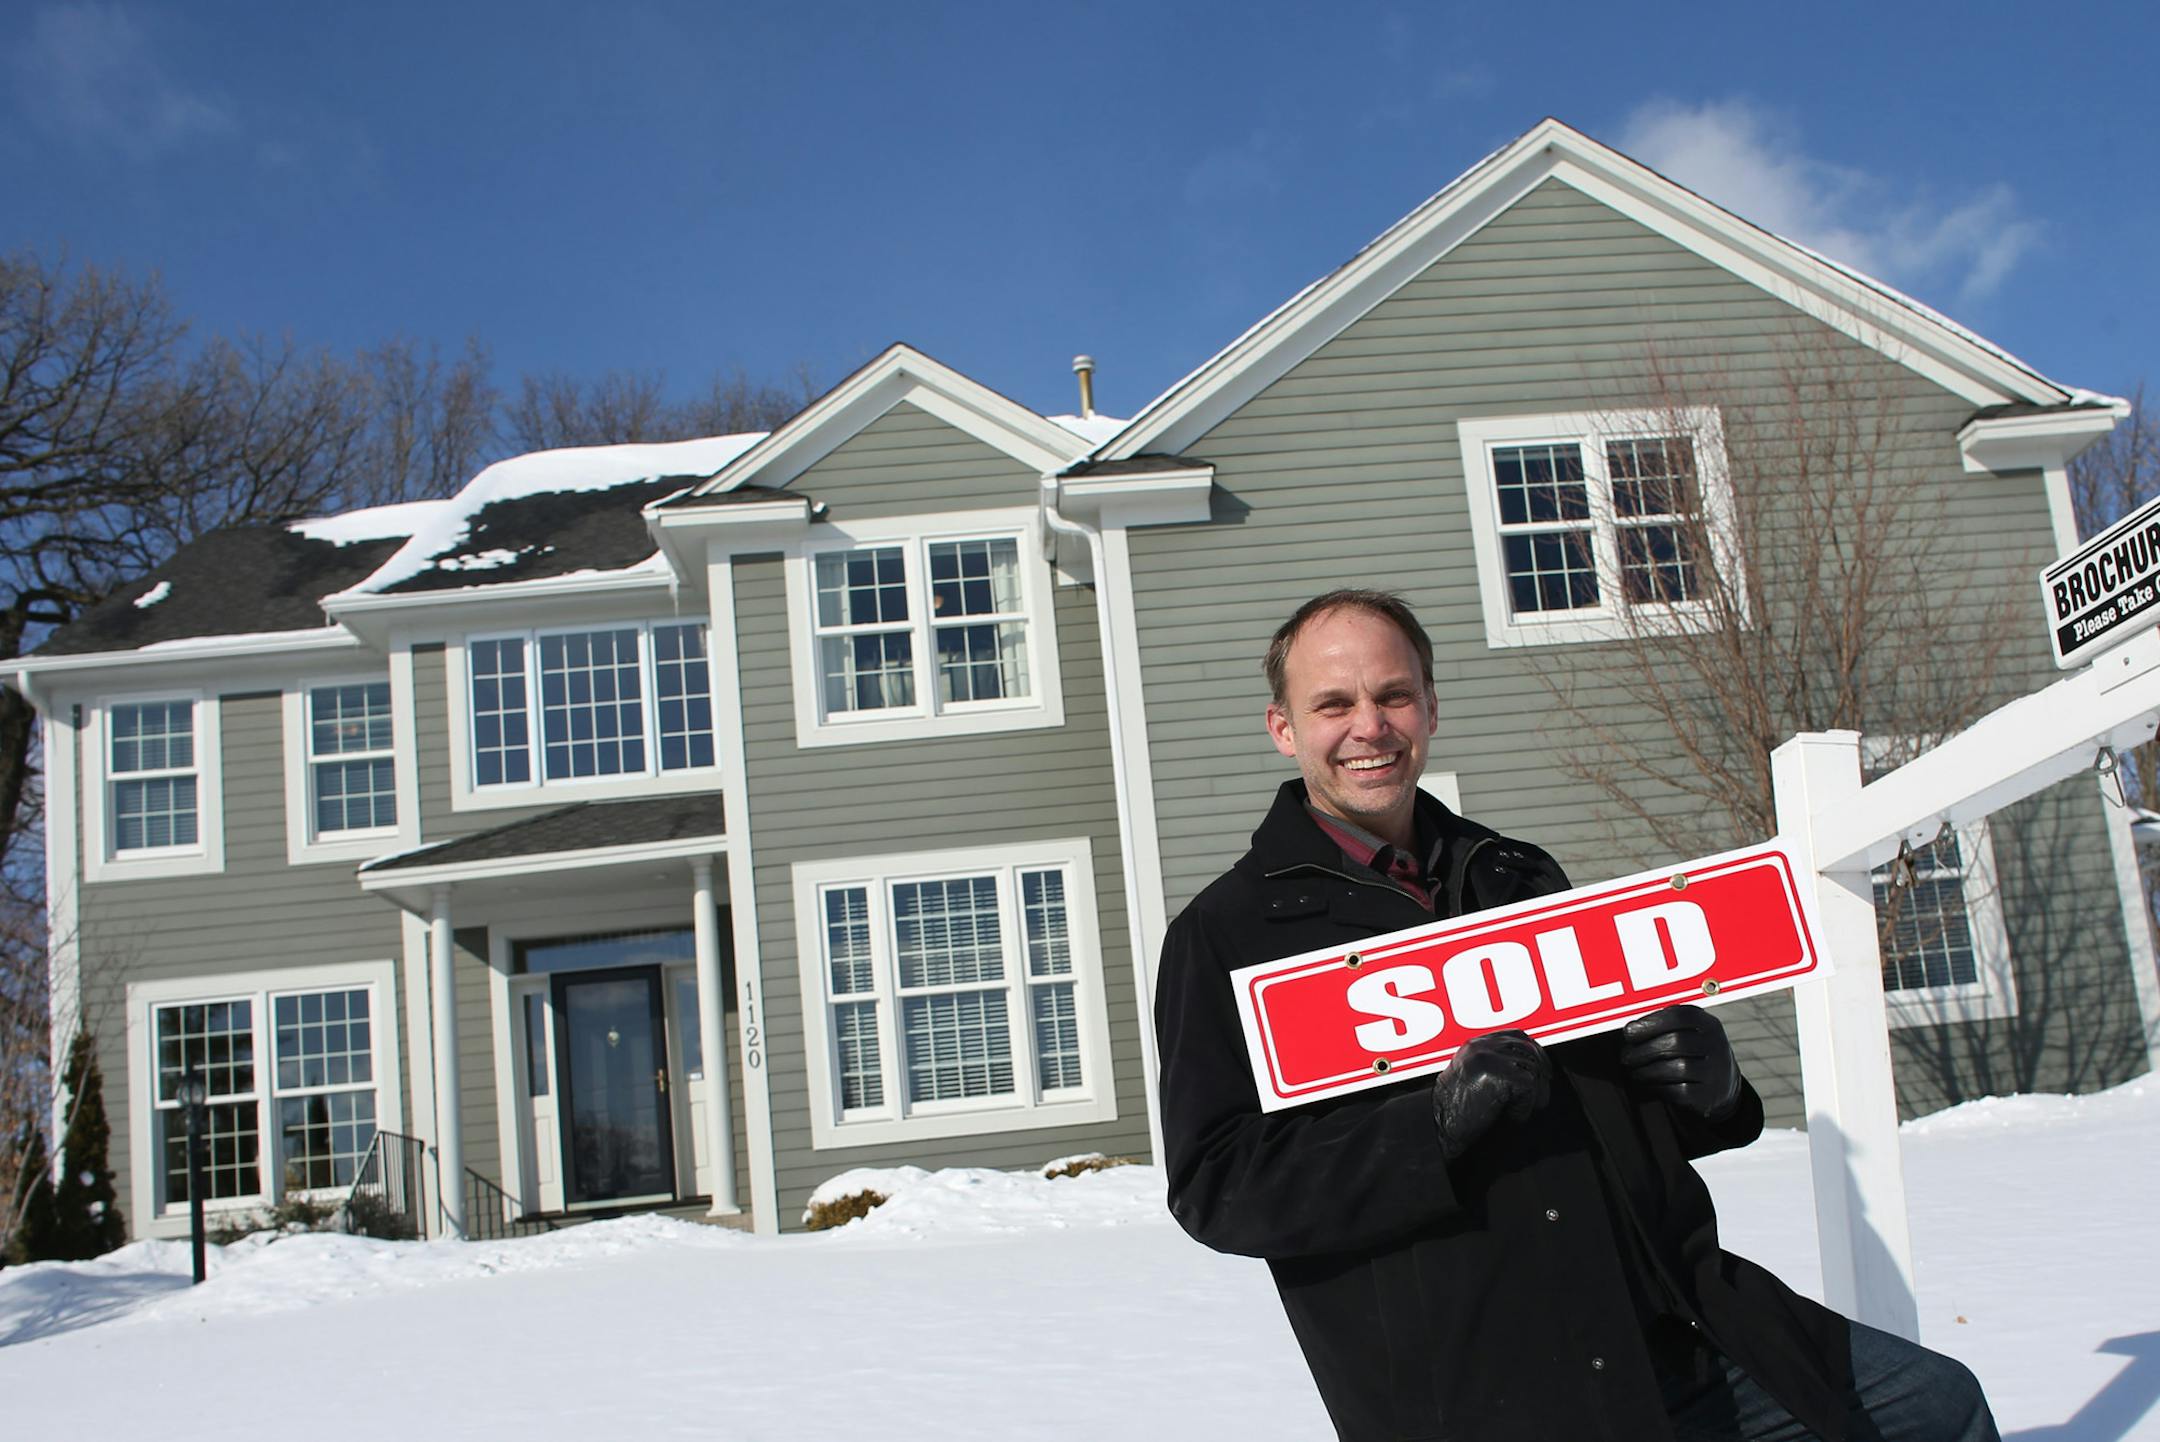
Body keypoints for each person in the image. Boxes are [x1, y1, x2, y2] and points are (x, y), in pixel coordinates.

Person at [1154, 589, 2000, 1442]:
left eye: (1393, 695)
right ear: (1284, 729)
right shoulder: (1224, 936)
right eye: (1333, 704)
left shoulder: (1514, 875)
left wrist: (1704, 1092)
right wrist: (1430, 1129)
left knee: (1934, 1408)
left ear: (1432, 706)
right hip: (1480, 1384)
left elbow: (1598, 1098)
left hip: (1677, 1323)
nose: (1369, 726)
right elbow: (1217, 1186)